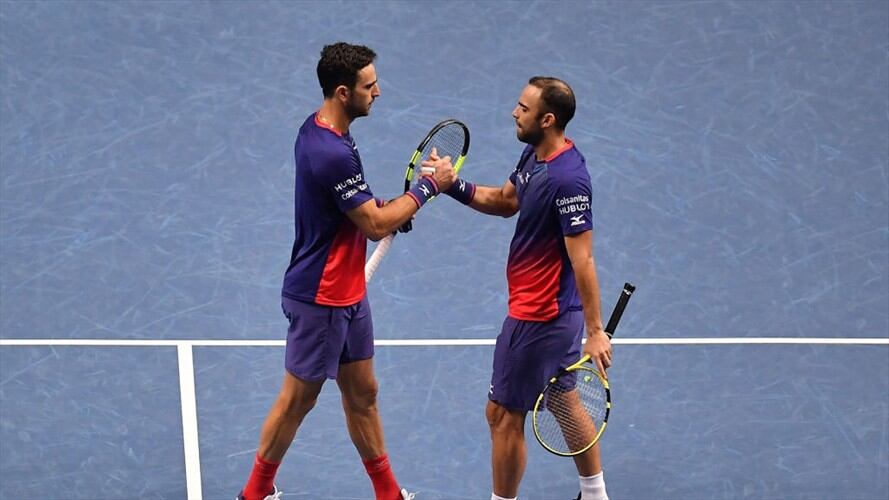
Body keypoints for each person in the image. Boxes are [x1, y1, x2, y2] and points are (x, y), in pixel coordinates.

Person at [236, 42, 456, 500]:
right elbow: (374, 225)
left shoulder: (323, 132)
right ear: (342, 92)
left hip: (348, 293)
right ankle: (254, 494)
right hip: (322, 295)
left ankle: (389, 495)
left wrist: (392, 207)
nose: (378, 93)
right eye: (369, 86)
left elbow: (359, 209)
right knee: (299, 400)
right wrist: (426, 189)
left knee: (364, 395)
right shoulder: (331, 152)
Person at [435, 76, 612, 500]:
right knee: (563, 398)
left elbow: (582, 258)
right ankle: (596, 494)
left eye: (523, 108)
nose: (515, 112)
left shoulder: (567, 181)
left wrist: (596, 329)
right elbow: (505, 202)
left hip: (540, 316)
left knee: (501, 414)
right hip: (553, 311)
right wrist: (450, 185)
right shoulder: (534, 155)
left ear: (547, 119)